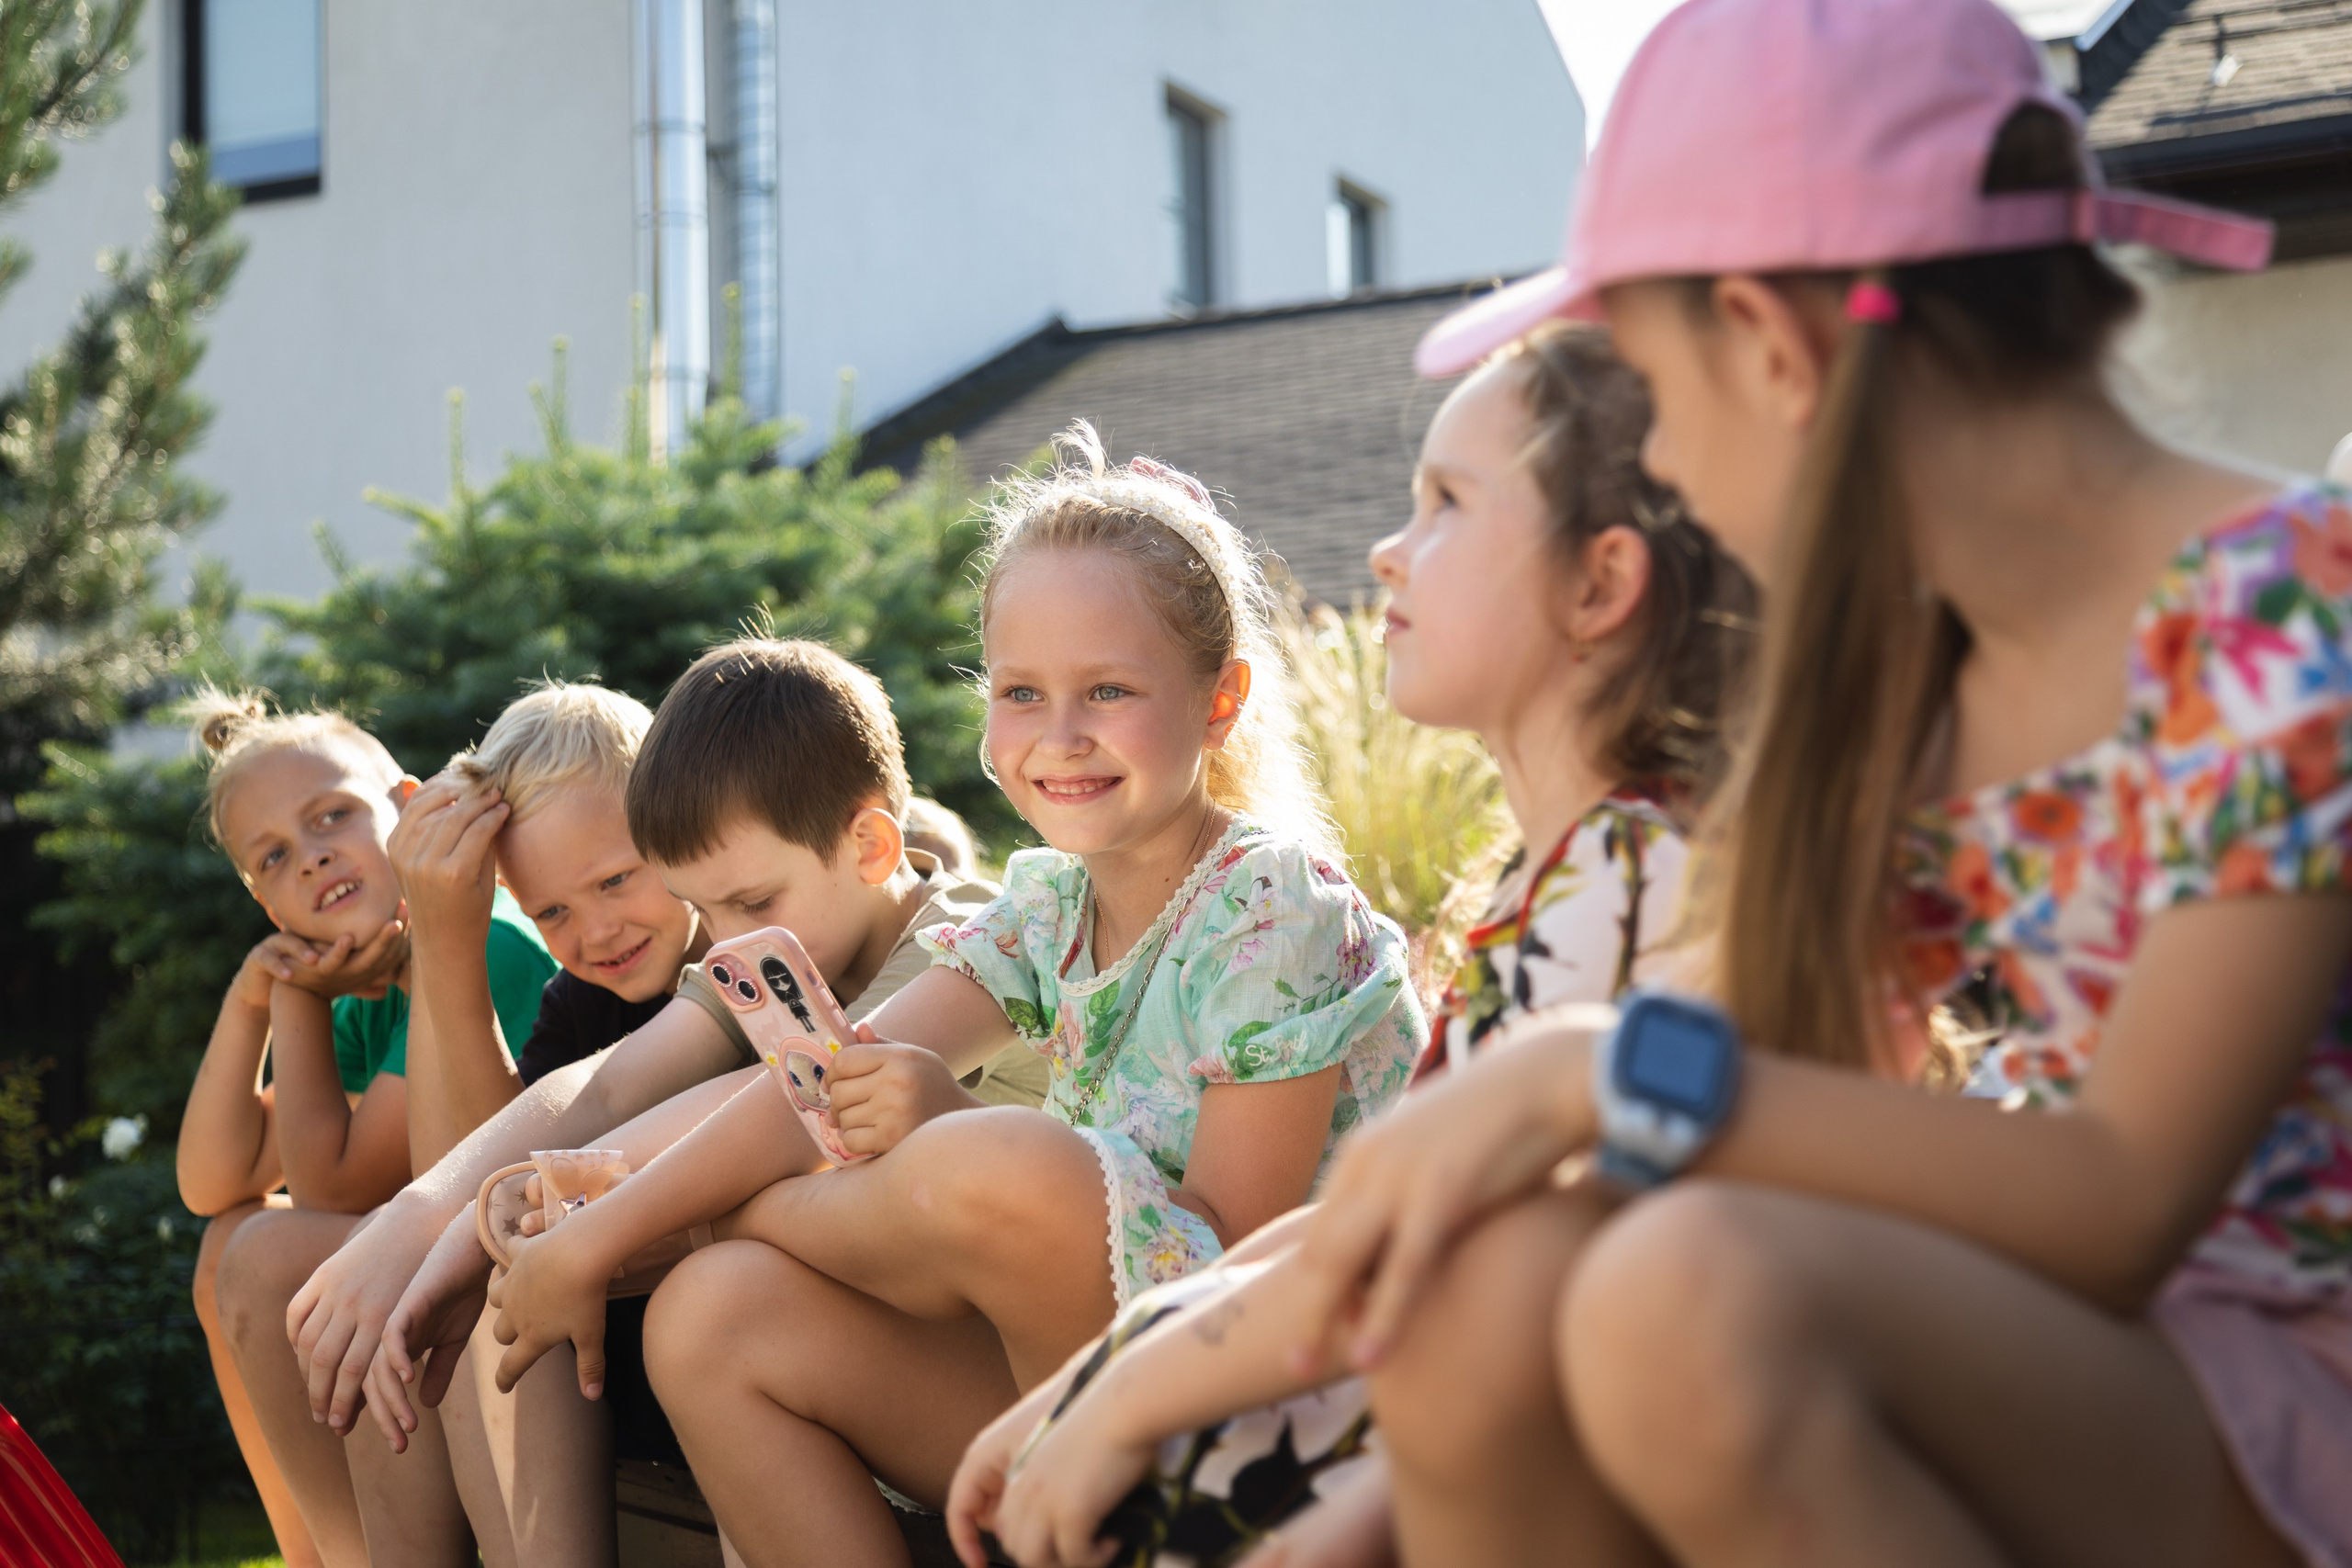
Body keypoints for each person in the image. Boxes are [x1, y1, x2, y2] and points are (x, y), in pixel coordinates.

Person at [1271, 1, 2351, 1564]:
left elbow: (2122, 1196)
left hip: (2298, 1397)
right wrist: (1383, 1501)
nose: (1678, 482)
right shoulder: (1932, 690)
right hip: (2115, 1376)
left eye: (1658, 399)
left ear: (1774, 349)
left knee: (1680, 1295)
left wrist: (1588, 1066)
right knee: (1505, 1281)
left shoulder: (2282, 611)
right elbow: (1802, 1087)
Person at [481, 430, 1429, 1566]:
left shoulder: (1274, 909)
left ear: (1218, 700)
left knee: (997, 1161)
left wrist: (663, 1215)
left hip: (1270, 1415)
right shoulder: (1042, 908)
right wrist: (604, 1213)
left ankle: (714, 1221)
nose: (1060, 737)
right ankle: (708, 1232)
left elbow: (1229, 1257)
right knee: (711, 1315)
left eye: (1109, 691)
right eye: (1023, 692)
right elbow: (813, 1086)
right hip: (1072, 1381)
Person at [948, 323, 1754, 1568]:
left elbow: (1490, 1284)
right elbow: (1376, 1226)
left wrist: (1122, 1395)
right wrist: (1101, 1379)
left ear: (1599, 586)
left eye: (1444, 504)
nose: (1386, 547)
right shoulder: (1547, 889)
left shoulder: (1631, 879)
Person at [297, 637, 1028, 1454]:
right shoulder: (769, 941)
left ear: (871, 848)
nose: (722, 941)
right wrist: (426, 1212)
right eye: (703, 910)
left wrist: (545, 1225)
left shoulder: (963, 937)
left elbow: (779, 1104)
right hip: (888, 1337)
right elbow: (610, 1087)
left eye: (750, 900)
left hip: (1019, 1369)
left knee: (713, 1299)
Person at [175, 692, 556, 1568]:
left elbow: (331, 1187)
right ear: (266, 902)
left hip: (530, 1265)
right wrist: (250, 1003)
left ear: (409, 807)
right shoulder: (371, 990)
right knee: (227, 1241)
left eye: (331, 816)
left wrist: (299, 998)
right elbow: (211, 1181)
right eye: (273, 856)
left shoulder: (477, 938)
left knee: (265, 1252)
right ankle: (314, 1554)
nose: (310, 857)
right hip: (449, 1270)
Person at [388, 680, 707, 1567]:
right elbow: (467, 1183)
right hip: (597, 1378)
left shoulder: (732, 963)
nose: (597, 930)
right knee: (450, 1291)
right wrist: (446, 938)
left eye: (615, 880)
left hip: (707, 1352)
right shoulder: (579, 1001)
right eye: (551, 912)